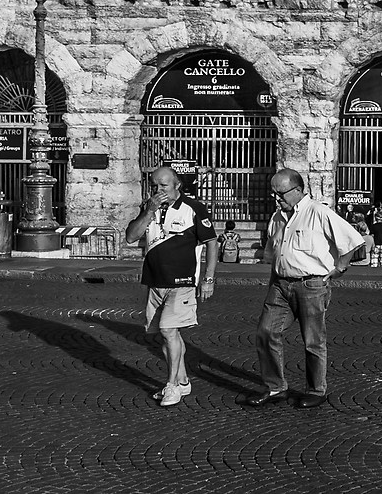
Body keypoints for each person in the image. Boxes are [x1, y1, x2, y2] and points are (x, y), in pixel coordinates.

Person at [244, 168, 367, 410]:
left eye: (281, 193)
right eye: (273, 193)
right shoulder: (278, 217)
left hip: (311, 285)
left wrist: (340, 268)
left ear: (298, 191)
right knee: (266, 332)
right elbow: (275, 252)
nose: (276, 198)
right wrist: (273, 280)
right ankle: (275, 387)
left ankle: (316, 390)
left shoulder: (318, 212)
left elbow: (352, 240)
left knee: (313, 340)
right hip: (280, 285)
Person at [125, 165, 218, 406]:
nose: (158, 190)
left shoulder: (193, 208)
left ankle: (172, 386)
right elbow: (131, 236)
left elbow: (211, 242)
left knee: (168, 331)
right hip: (155, 282)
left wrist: (208, 279)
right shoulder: (149, 207)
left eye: (163, 185)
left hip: (182, 282)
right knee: (166, 336)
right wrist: (149, 212)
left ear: (177, 185)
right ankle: (183, 380)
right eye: (154, 185)